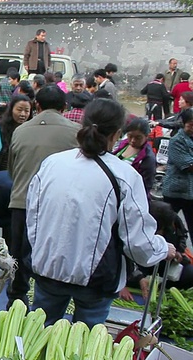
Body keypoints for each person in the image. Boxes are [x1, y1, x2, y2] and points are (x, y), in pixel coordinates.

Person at [26, 98, 174, 327]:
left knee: (38, 334)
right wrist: (163, 248)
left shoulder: (52, 164)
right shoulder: (124, 175)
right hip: (95, 280)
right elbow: (137, 242)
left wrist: (43, 252)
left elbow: (33, 218)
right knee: (85, 343)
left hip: (49, 269)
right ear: (117, 134)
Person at [7, 86, 80, 308]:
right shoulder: (77, 132)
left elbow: (13, 169)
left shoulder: (20, 131)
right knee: (51, 256)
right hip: (57, 207)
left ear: (36, 106)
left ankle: (16, 300)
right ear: (64, 107)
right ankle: (45, 305)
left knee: (18, 256)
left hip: (22, 202)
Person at [162, 109, 193, 243]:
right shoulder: (177, 141)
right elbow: (188, 166)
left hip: (191, 193)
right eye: (191, 124)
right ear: (184, 123)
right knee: (167, 226)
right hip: (175, 191)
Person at [113, 117, 157, 196]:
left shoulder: (147, 158)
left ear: (146, 137)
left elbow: (145, 186)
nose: (133, 140)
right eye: (130, 136)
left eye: (138, 138)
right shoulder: (122, 145)